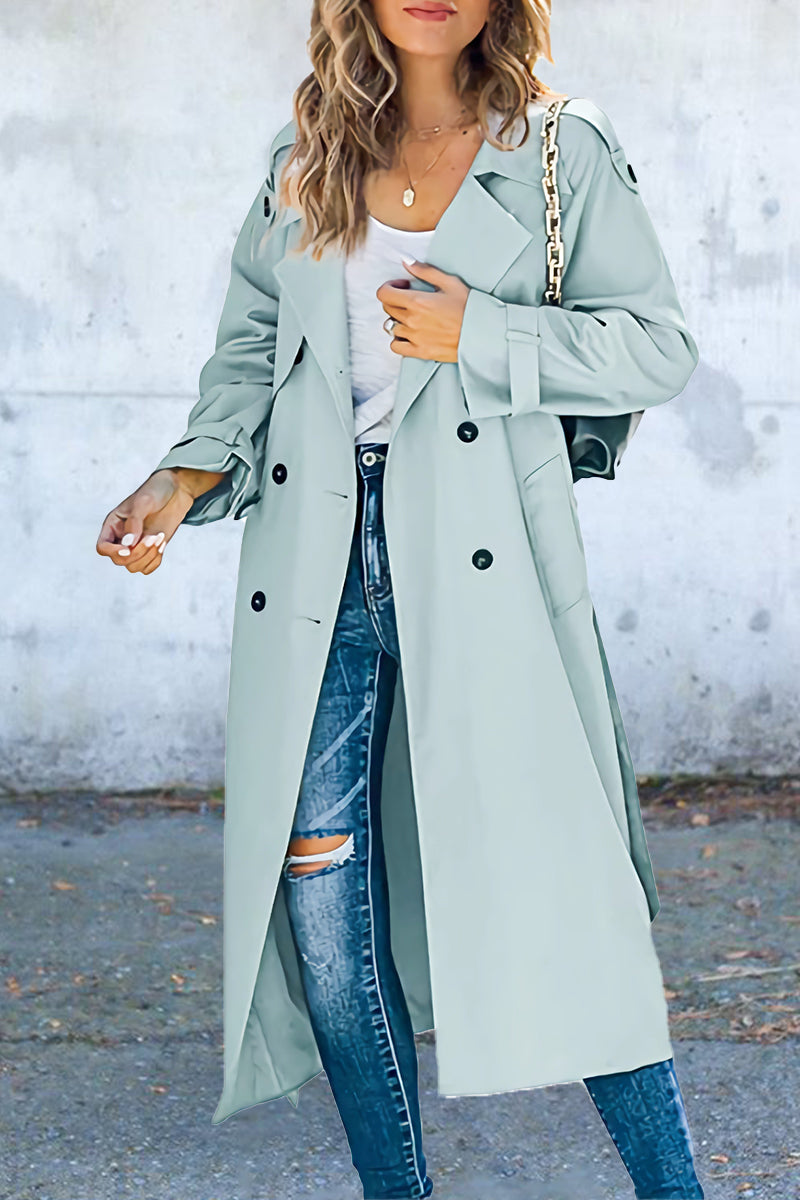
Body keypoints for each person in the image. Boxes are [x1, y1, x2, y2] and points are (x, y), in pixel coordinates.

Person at [97, 2, 705, 1197]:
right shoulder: (306, 153)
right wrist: (182, 477)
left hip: (485, 565)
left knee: (565, 900)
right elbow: (253, 347)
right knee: (323, 906)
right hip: (316, 567)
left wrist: (486, 335)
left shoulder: (556, 149)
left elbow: (654, 345)